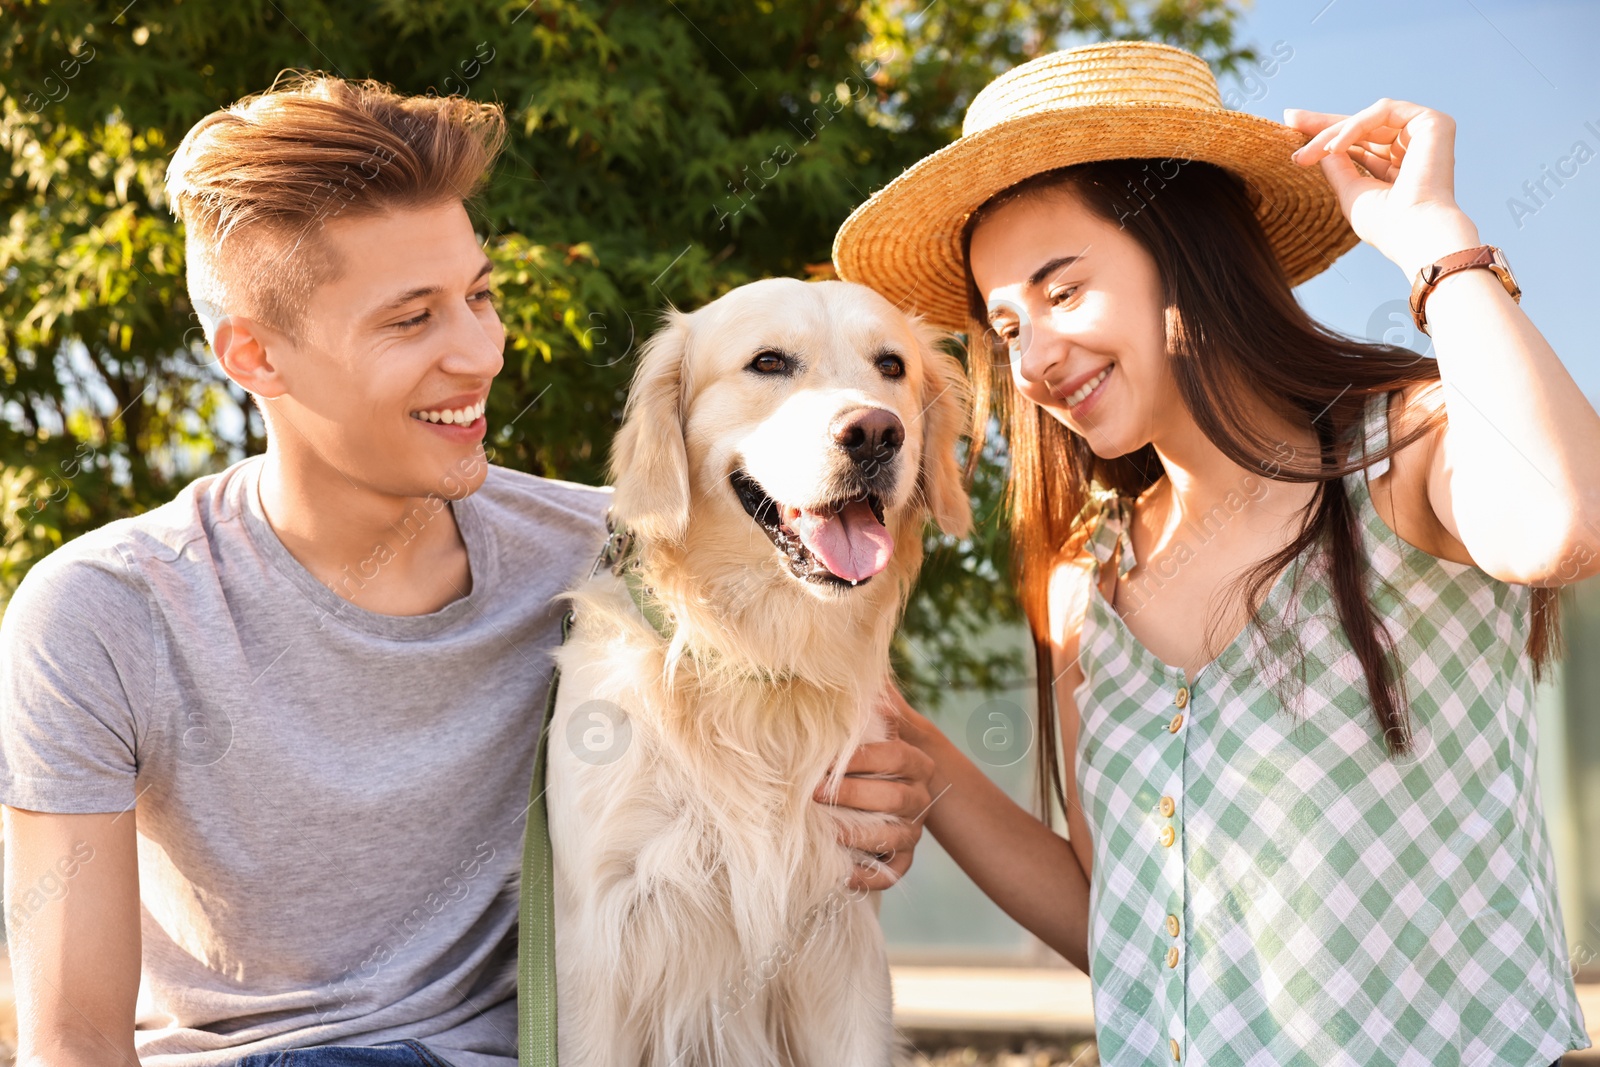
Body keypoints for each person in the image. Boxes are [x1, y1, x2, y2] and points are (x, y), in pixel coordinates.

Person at [0, 74, 933, 1067]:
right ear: (255, 356)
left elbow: (845, 693)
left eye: (480, 297)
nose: (480, 351)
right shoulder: (103, 610)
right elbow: (74, 1036)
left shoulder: (633, 556)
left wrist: (905, 779)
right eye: (412, 320)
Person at [833, 39, 1598, 1066]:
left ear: (1187, 252)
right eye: (1007, 326)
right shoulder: (1083, 579)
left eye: (1063, 293)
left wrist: (1435, 242)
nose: (1035, 360)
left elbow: (1562, 525)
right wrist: (912, 747)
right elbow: (1124, 926)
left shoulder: (1404, 451)